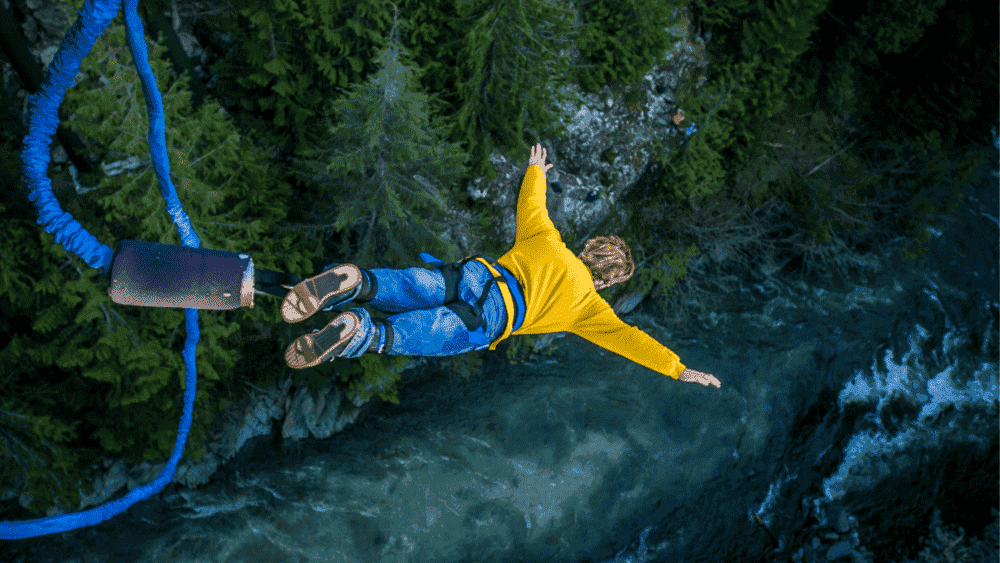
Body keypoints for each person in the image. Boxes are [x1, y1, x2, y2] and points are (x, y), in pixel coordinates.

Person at [281, 144, 722, 389]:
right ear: (606, 282)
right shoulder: (590, 308)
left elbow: (532, 203)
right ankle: (360, 331)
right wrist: (679, 369)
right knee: (409, 335)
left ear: (589, 249)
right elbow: (631, 341)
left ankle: (355, 280)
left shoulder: (548, 240)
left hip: (474, 275)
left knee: (410, 285)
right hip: (492, 317)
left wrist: (536, 170)